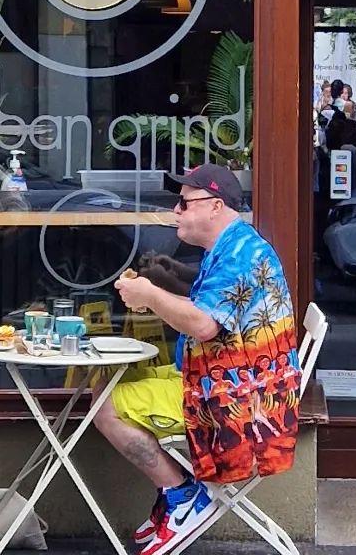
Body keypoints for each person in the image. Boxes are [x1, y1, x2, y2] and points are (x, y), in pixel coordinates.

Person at [97, 164, 301, 555]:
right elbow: (210, 302)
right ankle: (175, 492)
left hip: (236, 402)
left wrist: (149, 296)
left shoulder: (240, 256)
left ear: (215, 206)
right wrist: (169, 279)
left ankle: (181, 495)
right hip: (223, 380)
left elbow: (205, 324)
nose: (176, 211)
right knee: (107, 386)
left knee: (105, 408)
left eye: (184, 203)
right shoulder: (234, 245)